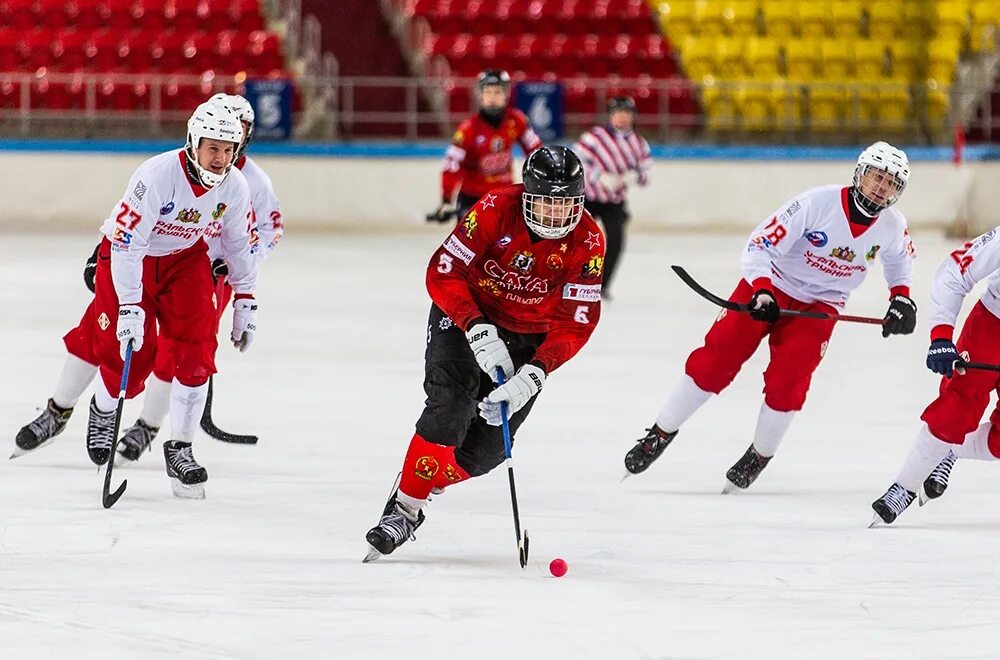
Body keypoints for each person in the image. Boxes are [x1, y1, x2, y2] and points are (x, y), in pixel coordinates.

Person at [622, 141, 917, 491]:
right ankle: (661, 432)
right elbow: (761, 242)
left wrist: (902, 298)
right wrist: (762, 288)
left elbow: (901, 262)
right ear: (860, 173)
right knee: (716, 360)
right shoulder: (816, 202)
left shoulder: (893, 226)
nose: (881, 187)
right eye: (876, 177)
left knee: (790, 381)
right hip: (770, 285)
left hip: (822, 304)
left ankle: (760, 455)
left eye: (891, 183)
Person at [366, 145, 605, 560]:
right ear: (527, 195)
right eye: (546, 204)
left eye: (564, 205)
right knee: (450, 408)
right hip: (465, 316)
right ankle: (406, 507)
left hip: (530, 336)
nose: (554, 216)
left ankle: (428, 474)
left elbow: (577, 321)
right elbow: (444, 270)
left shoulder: (588, 241)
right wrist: (475, 328)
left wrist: (535, 373)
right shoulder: (494, 207)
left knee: (484, 454)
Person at [15, 95, 282, 465]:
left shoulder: (243, 182)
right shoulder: (157, 173)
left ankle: (166, 437)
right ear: (194, 142)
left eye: (229, 146)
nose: (221, 157)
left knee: (190, 350)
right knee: (116, 341)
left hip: (189, 262)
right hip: (134, 258)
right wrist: (127, 303)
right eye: (213, 148)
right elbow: (129, 236)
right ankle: (84, 410)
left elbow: (246, 242)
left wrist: (245, 297)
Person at [870, 225, 1000, 525]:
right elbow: (955, 271)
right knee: (957, 409)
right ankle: (903, 488)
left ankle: (949, 451)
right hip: (993, 327)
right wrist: (942, 335)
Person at [426, 69, 542, 225]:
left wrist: (543, 183)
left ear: (506, 94)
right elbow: (452, 166)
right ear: (480, 95)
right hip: (473, 198)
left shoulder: (517, 120)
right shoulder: (468, 130)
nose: (492, 97)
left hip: (505, 197)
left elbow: (536, 151)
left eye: (497, 92)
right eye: (488, 92)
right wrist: (446, 199)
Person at [573, 96, 652, 299]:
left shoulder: (639, 144)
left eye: (626, 113)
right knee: (577, 241)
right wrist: (598, 176)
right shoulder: (594, 137)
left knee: (615, 243)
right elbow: (577, 162)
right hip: (588, 199)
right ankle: (572, 279)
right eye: (618, 112)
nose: (622, 117)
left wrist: (633, 177)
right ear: (611, 115)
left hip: (615, 202)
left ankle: (602, 286)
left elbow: (646, 174)